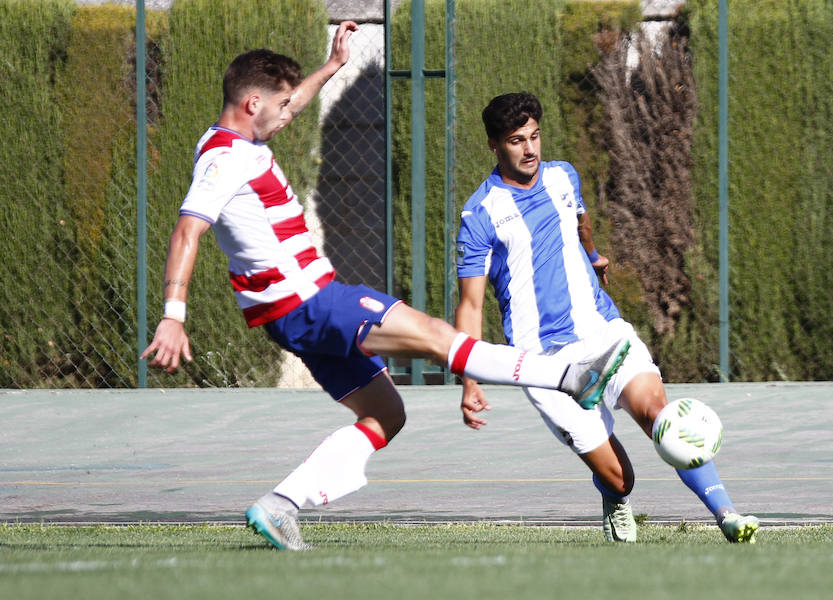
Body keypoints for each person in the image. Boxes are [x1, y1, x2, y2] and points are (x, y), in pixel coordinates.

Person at [140, 25, 631, 551]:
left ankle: (280, 505)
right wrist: (174, 313)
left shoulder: (235, 138)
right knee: (439, 337)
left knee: (386, 414)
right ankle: (571, 377)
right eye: (282, 105)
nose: (290, 113)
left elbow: (288, 104)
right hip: (312, 302)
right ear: (252, 102)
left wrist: (330, 68)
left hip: (289, 318)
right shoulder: (226, 159)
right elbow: (189, 228)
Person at [454, 92, 759, 543]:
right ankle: (616, 500)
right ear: (494, 145)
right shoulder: (480, 216)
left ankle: (727, 515)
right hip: (545, 363)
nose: (531, 149)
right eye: (517, 141)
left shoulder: (562, 176)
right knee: (621, 479)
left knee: (661, 415)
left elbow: (580, 219)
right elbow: (471, 306)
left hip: (603, 330)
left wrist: (593, 256)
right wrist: (469, 378)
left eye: (535, 136)